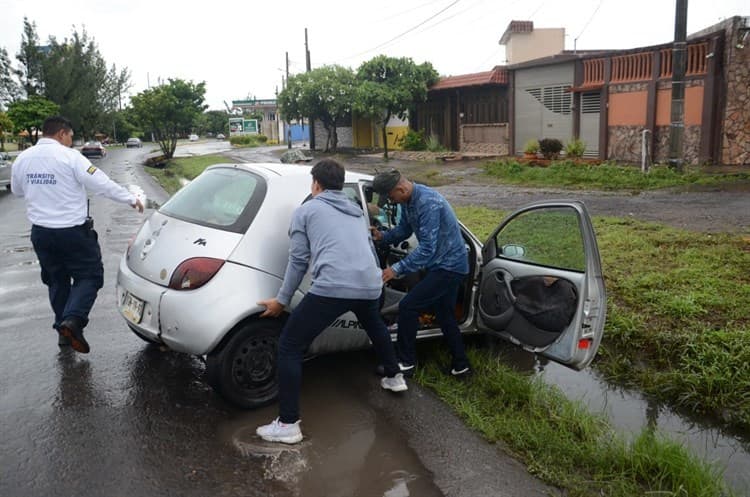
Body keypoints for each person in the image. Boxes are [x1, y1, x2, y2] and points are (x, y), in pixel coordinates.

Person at [256, 159, 407, 444]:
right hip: (369, 285)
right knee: (375, 325)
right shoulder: (356, 212)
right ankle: (394, 376)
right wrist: (375, 281)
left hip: (334, 287)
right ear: (340, 185)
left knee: (289, 344)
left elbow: (298, 260)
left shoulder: (306, 211)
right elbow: (369, 251)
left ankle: (287, 423)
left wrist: (281, 300)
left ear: (316, 184)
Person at [11, 115, 144, 354]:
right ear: (62, 133)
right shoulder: (70, 157)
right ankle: (72, 321)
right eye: (70, 135)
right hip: (72, 232)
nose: (72, 140)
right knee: (89, 277)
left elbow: (18, 191)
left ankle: (63, 333)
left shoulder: (23, 158)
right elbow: (101, 183)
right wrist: (130, 198)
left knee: (56, 280)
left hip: (41, 233)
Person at [370, 169, 472, 378]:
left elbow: (427, 249)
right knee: (445, 316)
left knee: (408, 306)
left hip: (450, 266)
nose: (391, 201)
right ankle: (461, 366)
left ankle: (406, 362)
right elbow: (404, 231)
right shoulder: (409, 202)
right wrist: (382, 236)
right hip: (442, 265)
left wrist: (395, 270)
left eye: (391, 196)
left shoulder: (427, 202)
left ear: (401, 188)